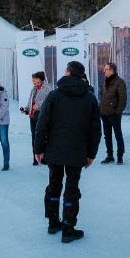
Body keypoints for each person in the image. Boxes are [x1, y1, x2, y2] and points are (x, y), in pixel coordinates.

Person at [34, 61, 101, 243]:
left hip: (55, 149)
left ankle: (53, 222)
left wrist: (38, 149)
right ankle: (68, 227)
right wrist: (91, 153)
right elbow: (95, 129)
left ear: (68, 73)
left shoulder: (55, 96)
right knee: (72, 188)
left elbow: (42, 124)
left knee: (54, 184)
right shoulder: (89, 98)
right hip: (76, 151)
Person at [99, 62, 127, 165]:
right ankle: (110, 156)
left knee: (117, 134)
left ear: (112, 71)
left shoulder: (120, 82)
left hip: (114, 114)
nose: (104, 71)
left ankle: (120, 156)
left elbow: (123, 99)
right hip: (104, 113)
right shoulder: (105, 81)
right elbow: (103, 96)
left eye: (106, 69)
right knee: (107, 135)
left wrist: (117, 112)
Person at [22, 71, 51, 165]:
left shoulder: (47, 88)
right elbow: (30, 101)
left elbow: (49, 101)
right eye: (32, 79)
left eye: (34, 78)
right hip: (33, 115)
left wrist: (39, 105)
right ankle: (35, 158)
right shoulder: (34, 89)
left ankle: (45, 157)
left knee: (42, 136)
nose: (33, 80)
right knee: (34, 137)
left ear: (40, 79)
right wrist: (26, 109)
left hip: (41, 115)